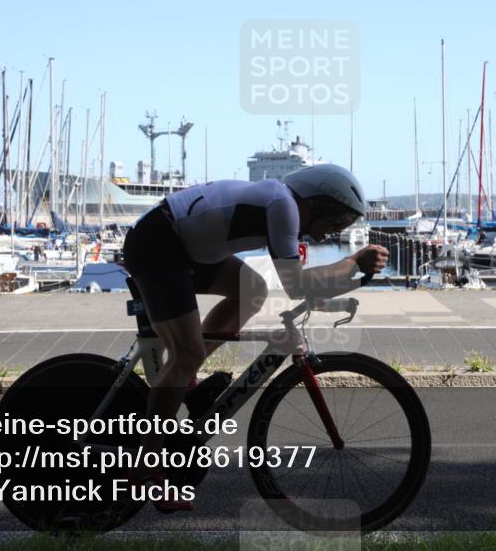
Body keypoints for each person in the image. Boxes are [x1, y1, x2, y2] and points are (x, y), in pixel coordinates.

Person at [121, 164, 386, 511]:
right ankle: (146, 468)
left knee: (252, 291)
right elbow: (295, 285)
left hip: (182, 246)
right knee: (186, 352)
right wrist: (351, 263)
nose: (326, 236)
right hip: (159, 243)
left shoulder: (282, 202)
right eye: (333, 224)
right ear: (317, 204)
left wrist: (346, 275)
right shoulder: (284, 206)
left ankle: (185, 374)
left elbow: (294, 283)